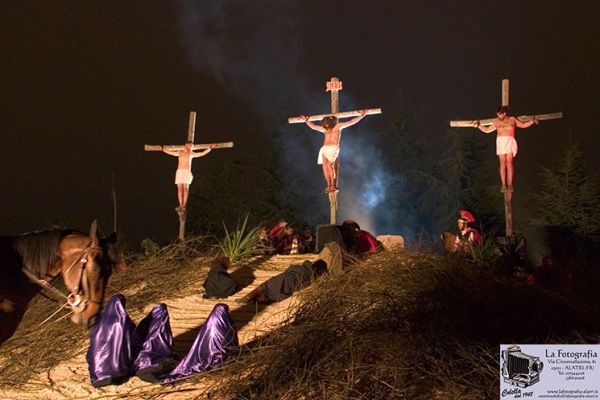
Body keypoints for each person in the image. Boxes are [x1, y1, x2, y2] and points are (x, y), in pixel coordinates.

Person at [474, 106, 538, 194]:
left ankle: (510, 184)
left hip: (509, 140)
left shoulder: (512, 119)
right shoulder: (496, 121)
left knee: (509, 163)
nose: (499, 116)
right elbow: (488, 130)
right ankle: (503, 184)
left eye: (500, 115)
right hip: (500, 142)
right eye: (498, 115)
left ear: (504, 113)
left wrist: (532, 121)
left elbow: (522, 125)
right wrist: (479, 126)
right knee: (502, 163)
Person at [301, 110, 368, 192]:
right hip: (324, 148)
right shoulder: (325, 129)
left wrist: (361, 116)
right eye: (324, 123)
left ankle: (333, 184)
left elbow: (351, 122)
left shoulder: (338, 126)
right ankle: (329, 184)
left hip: (333, 147)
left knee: (330, 165)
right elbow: (313, 126)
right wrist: (306, 120)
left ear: (331, 122)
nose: (326, 124)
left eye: (327, 123)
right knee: (324, 166)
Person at [235, 259, 328, 304]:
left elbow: (291, 268)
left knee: (264, 286)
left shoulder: (304, 266)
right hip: (291, 286)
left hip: (285, 277)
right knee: (271, 293)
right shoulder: (313, 277)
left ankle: (247, 298)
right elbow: (304, 285)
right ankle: (256, 300)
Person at [162, 141, 212, 209]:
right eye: (190, 145)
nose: (191, 147)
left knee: (185, 189)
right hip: (179, 171)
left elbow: (201, 153)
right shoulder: (180, 152)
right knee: (179, 189)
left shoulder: (191, 153)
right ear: (186, 145)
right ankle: (180, 204)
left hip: (186, 172)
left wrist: (209, 148)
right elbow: (171, 153)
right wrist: (163, 149)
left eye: (192, 146)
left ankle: (183, 205)